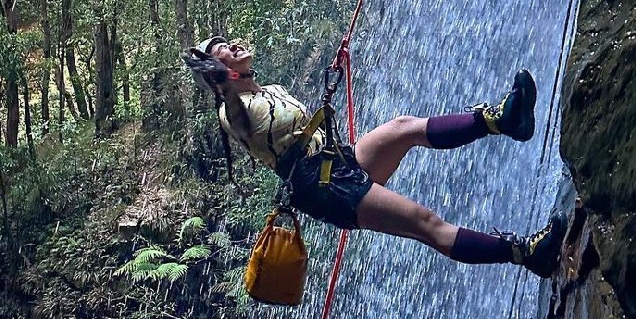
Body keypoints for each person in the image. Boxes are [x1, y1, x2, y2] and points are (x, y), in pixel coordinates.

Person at [183, 35, 568, 277]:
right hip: (320, 187)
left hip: (334, 160)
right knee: (426, 223)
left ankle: (503, 120)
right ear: (223, 71)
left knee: (404, 128)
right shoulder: (231, 110)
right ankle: (526, 254)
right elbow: (242, 122)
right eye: (224, 52)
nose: (234, 46)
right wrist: (223, 85)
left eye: (229, 43)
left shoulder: (272, 88)